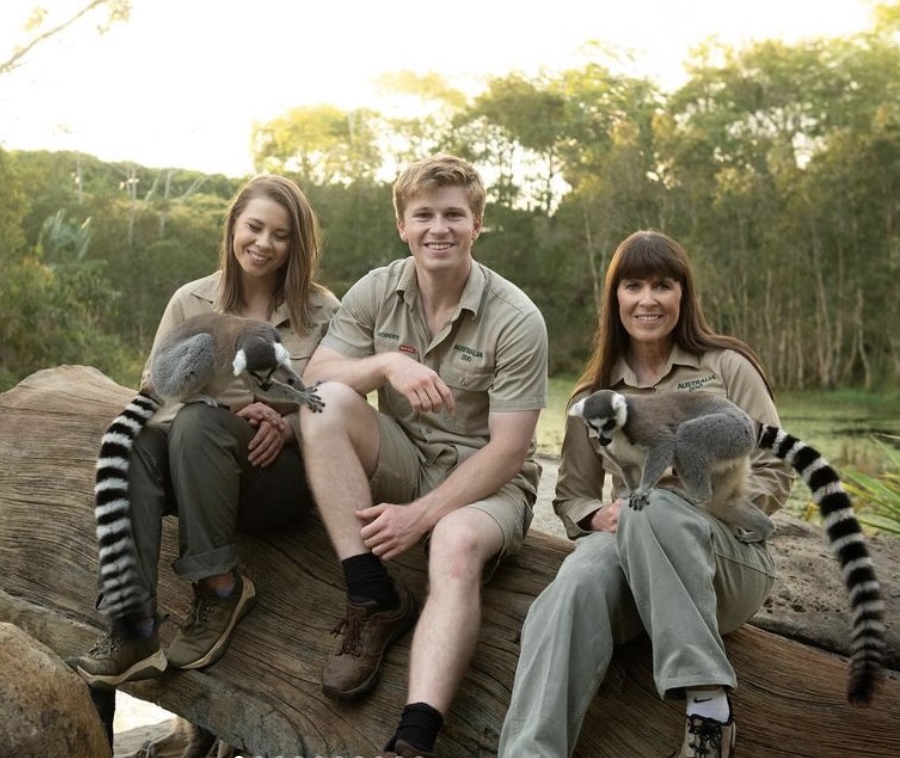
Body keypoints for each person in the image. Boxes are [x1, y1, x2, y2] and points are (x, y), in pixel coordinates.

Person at [498, 230, 793, 758]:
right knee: (575, 581)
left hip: (724, 560)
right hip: (632, 561)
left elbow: (775, 470)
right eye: (633, 285)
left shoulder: (727, 367)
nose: (648, 299)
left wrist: (702, 507)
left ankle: (708, 711)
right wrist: (598, 518)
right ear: (616, 298)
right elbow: (571, 497)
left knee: (658, 506)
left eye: (663, 285)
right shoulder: (595, 396)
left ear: (684, 294)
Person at [298, 154, 548, 758]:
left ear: (477, 223)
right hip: (405, 454)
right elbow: (317, 375)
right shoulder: (377, 291)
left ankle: (414, 737)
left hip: (488, 482)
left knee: (454, 543)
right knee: (325, 401)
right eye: (425, 215)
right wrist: (386, 363)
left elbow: (510, 450)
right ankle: (371, 594)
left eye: (454, 215)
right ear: (402, 225)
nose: (440, 228)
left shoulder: (516, 319)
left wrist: (422, 517)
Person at [68, 174, 340, 686]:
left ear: (296, 244)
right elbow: (155, 393)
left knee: (199, 422)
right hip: (197, 465)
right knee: (134, 446)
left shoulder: (323, 311)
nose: (263, 244)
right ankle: (134, 626)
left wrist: (285, 426)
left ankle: (219, 589)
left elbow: (343, 408)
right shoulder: (190, 301)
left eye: (280, 235)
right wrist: (231, 412)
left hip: (276, 480)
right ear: (234, 224)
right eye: (254, 227)